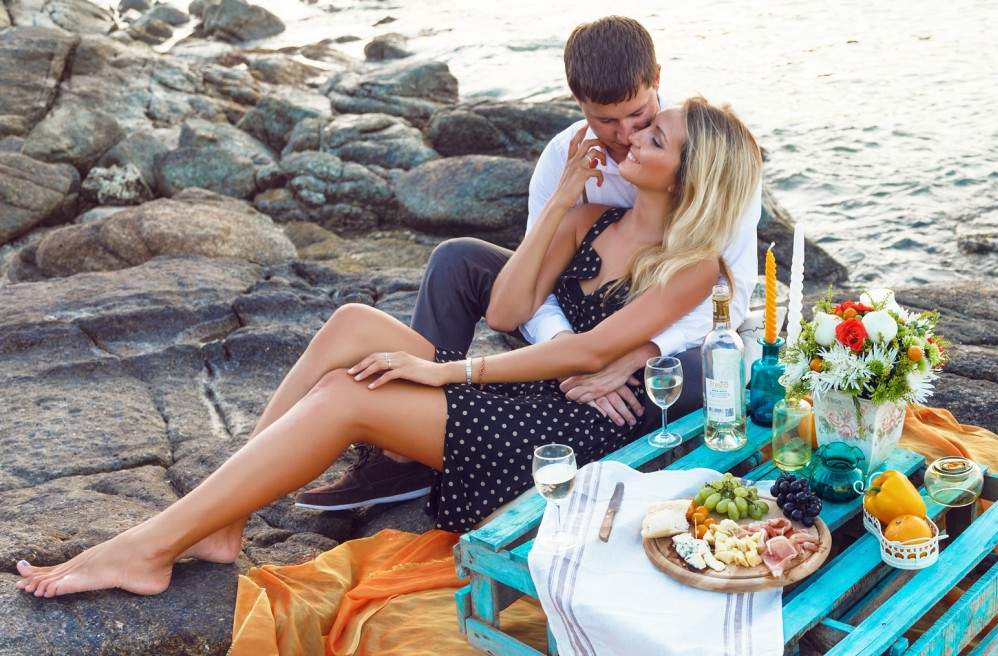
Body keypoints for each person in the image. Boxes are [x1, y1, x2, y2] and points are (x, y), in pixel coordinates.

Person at [13, 94, 764, 598]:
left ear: (689, 173)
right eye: (641, 125)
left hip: (573, 433)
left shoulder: (692, 266)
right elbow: (506, 305)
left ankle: (149, 549)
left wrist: (441, 371)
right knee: (349, 324)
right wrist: (562, 201)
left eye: (653, 136)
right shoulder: (594, 212)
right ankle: (222, 523)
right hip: (534, 388)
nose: (631, 136)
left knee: (347, 396)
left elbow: (582, 355)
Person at [293, 15, 761, 512]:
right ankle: (404, 446)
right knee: (457, 259)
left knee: (694, 370)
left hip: (656, 331)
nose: (625, 135)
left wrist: (633, 354)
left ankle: (602, 445)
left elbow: (729, 302)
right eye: (606, 121)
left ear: (657, 80)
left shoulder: (705, 158)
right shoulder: (565, 156)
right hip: (577, 320)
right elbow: (533, 285)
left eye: (639, 116)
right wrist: (566, 346)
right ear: (579, 105)